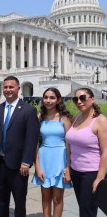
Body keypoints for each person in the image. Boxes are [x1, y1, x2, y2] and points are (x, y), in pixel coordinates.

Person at [0, 76, 40, 217]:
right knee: (0, 201)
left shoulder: (28, 110)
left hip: (18, 166)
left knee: (19, 201)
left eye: (11, 87)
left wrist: (26, 161)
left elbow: (31, 138)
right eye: (5, 87)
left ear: (18, 88)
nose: (8, 90)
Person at [66, 88, 107, 217]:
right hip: (76, 171)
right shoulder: (77, 117)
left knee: (87, 211)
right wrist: (68, 168)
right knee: (83, 207)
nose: (79, 101)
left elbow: (106, 151)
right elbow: (70, 145)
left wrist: (99, 178)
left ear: (92, 99)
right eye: (75, 99)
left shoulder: (101, 120)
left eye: (83, 98)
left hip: (91, 173)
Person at [31, 87, 73, 217]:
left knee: (57, 198)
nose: (48, 100)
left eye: (52, 97)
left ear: (58, 100)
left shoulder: (64, 119)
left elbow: (70, 144)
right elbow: (35, 143)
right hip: (44, 159)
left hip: (60, 159)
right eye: (46, 97)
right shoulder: (40, 117)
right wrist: (37, 167)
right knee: (45, 197)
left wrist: (68, 168)